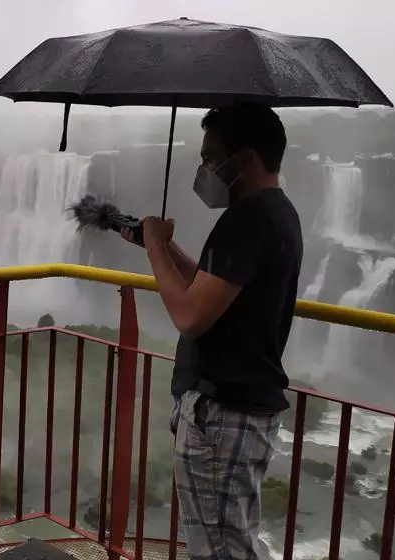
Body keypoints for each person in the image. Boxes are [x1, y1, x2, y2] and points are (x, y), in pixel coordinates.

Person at [121, 102, 302, 559]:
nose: (204, 170)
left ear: (245, 159)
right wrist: (163, 247)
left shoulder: (247, 220)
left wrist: (155, 248)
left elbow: (189, 315)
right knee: (231, 540)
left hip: (223, 412)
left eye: (209, 158)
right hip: (241, 409)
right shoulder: (277, 212)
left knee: (218, 548)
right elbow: (208, 287)